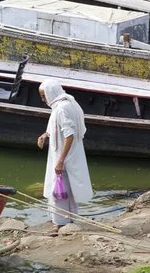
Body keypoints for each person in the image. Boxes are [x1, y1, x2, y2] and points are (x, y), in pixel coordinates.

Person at [37, 79, 93, 236]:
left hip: (64, 156)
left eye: (44, 96)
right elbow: (58, 126)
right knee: (67, 188)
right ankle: (66, 218)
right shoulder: (69, 102)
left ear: (51, 92)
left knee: (60, 190)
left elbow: (70, 135)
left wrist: (60, 160)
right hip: (70, 154)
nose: (43, 100)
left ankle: (60, 224)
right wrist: (45, 134)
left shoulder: (62, 108)